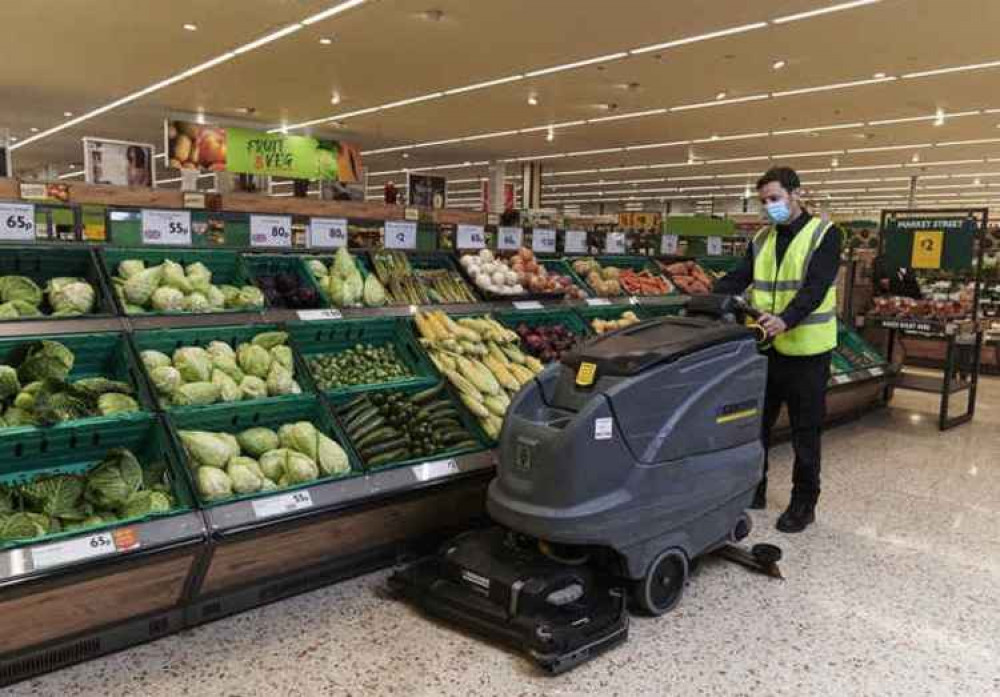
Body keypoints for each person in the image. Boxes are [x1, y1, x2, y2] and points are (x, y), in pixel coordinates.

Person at [715, 166, 841, 533]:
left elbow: (815, 288)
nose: (769, 206)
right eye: (764, 201)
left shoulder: (825, 235)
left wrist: (786, 319)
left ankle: (804, 503)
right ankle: (754, 487)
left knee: (806, 431)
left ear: (796, 194)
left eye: (775, 198)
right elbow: (740, 278)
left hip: (807, 352)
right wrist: (707, 296)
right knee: (757, 426)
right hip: (766, 350)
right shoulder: (762, 239)